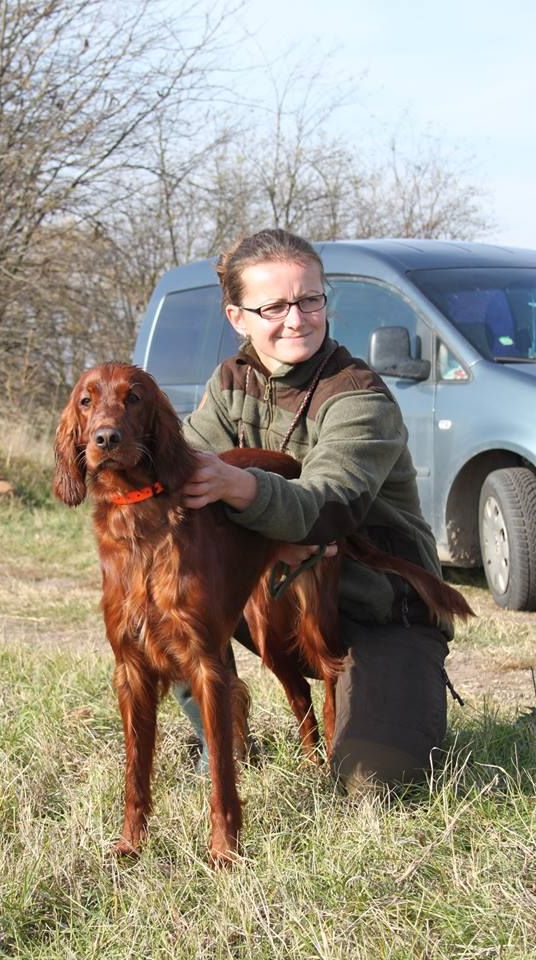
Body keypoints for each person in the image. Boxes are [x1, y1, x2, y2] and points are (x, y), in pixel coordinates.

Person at [174, 228, 451, 794]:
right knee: (167, 589)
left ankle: (394, 695)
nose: (296, 319)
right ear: (237, 317)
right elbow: (178, 490)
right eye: (274, 305)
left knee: (373, 784)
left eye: (309, 300)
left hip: (376, 611)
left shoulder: (359, 395)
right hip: (278, 602)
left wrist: (235, 485)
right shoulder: (228, 385)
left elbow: (326, 509)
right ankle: (218, 737)